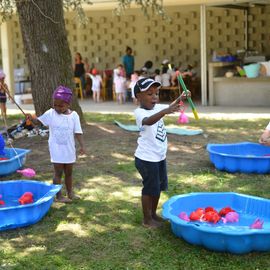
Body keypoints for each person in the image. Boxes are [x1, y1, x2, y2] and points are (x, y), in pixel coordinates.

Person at [133, 78, 190, 228]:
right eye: (149, 93)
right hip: (146, 159)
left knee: (157, 188)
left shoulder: (157, 108)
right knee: (149, 188)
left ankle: (153, 214)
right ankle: (146, 219)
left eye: (156, 93)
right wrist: (164, 111)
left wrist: (181, 97)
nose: (154, 97)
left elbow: (172, 107)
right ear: (138, 96)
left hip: (159, 157)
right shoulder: (139, 112)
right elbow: (149, 121)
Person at [27, 86, 86, 203]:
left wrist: (82, 146)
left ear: (68, 104)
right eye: (55, 105)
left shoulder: (74, 116)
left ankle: (70, 193)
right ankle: (58, 196)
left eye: (61, 105)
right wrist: (31, 118)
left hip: (69, 150)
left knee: (69, 173)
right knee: (58, 172)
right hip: (56, 150)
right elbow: (38, 121)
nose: (57, 108)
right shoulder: (51, 113)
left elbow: (78, 132)